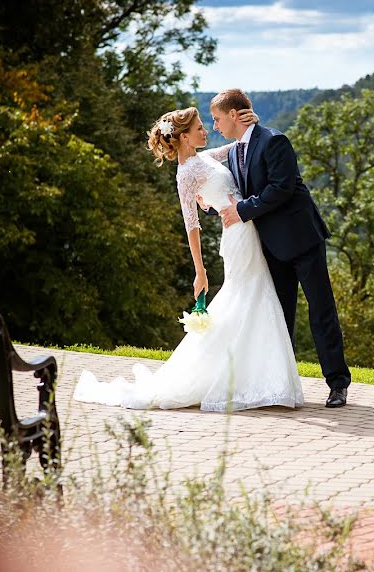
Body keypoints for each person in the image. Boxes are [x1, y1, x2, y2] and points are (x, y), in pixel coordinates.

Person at [73, 106, 304, 411]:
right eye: (198, 128)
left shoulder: (204, 158)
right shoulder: (187, 173)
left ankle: (258, 379)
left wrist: (251, 121)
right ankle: (245, 380)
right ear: (183, 138)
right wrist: (200, 271)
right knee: (248, 298)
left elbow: (238, 146)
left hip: (247, 231)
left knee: (252, 299)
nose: (205, 131)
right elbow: (191, 225)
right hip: (237, 237)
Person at [208, 88, 351, 408]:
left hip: (301, 239)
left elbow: (282, 188)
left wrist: (241, 211)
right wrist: (205, 197)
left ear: (234, 114)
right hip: (269, 246)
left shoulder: (274, 141)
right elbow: (200, 164)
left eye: (217, 119)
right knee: (278, 315)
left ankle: (338, 383)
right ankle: (281, 384)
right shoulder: (232, 152)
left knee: (321, 311)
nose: (214, 126)